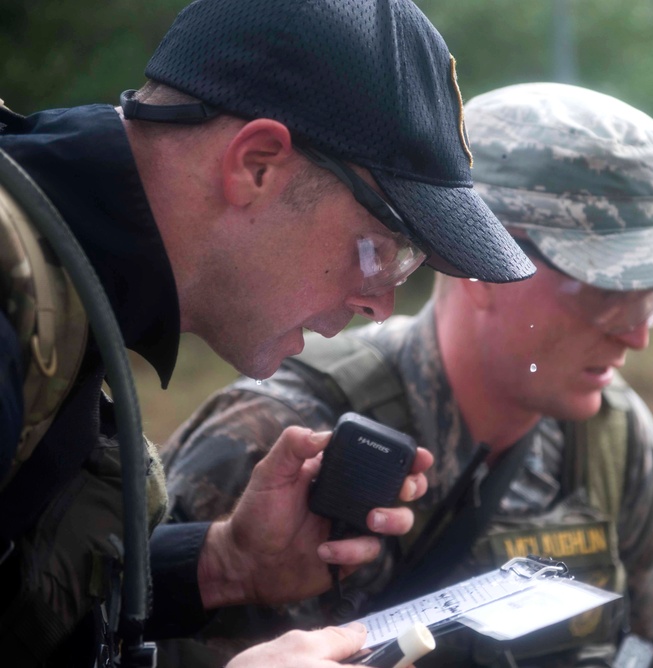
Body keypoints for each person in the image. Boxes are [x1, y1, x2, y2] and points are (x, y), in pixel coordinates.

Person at [0, 0, 534, 665]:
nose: (382, 305)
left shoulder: (60, 287)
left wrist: (223, 564)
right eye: (383, 247)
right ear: (256, 164)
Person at [159, 82, 653, 667]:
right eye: (607, 295)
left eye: (652, 297)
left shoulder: (613, 436)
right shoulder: (281, 443)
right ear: (485, 264)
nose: (637, 336)